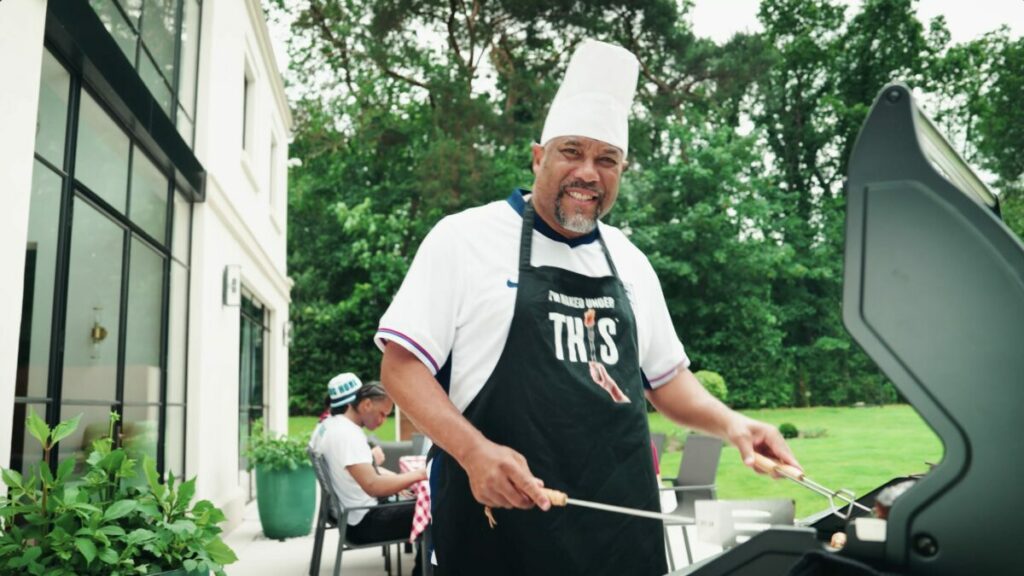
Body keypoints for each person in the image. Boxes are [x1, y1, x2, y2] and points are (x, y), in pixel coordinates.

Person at [374, 39, 800, 575]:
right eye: (572, 151)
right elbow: (400, 366)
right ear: (538, 157)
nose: (589, 173)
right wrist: (473, 451)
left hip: (621, 533)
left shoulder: (630, 261)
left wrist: (733, 424)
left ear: (622, 170)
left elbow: (665, 381)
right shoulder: (464, 239)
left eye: (607, 160)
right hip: (499, 537)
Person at [308, 373, 426, 569]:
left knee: (419, 500)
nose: (383, 421)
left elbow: (358, 473)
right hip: (364, 523)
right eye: (383, 414)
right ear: (366, 404)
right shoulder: (348, 435)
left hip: (351, 515)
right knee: (435, 509)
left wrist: (399, 480)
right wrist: (421, 474)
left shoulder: (327, 426)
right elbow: (374, 486)